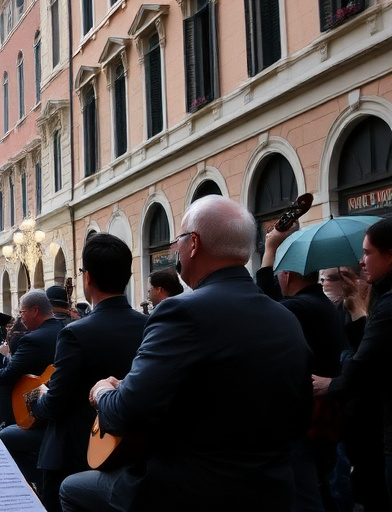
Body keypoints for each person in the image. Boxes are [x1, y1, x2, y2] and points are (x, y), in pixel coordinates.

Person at [60, 196, 313, 512]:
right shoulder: (286, 319)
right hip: (270, 492)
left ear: (193, 244)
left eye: (178, 240)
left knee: (71, 489)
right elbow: (300, 417)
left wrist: (102, 392)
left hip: (185, 491)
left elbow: (126, 414)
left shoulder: (180, 311)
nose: (174, 249)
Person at [31, 234, 147, 510]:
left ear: (88, 278)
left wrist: (38, 400)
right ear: (128, 276)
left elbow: (56, 402)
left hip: (75, 453)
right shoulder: (150, 325)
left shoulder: (75, 333)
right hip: (130, 451)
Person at [258, 224, 349, 511]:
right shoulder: (319, 304)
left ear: (286, 276)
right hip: (321, 413)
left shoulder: (301, 308)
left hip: (308, 415)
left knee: (307, 492)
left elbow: (265, 308)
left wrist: (270, 249)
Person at [314, 217, 392, 510]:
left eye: (368, 253)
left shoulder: (386, 305)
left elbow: (362, 364)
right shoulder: (376, 303)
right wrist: (359, 311)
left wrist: (332, 381)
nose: (362, 262)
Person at [0, 290, 60, 487]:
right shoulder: (64, 329)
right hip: (55, 415)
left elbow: (7, 375)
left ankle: (37, 480)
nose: (20, 316)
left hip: (43, 418)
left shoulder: (33, 339)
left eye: (22, 312)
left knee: (2, 439)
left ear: (35, 310)